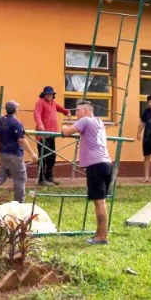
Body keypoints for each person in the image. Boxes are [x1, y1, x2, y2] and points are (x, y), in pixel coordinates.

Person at [61, 99, 112, 245]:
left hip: (96, 165)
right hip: (107, 163)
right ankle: (100, 233)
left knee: (99, 202)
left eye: (77, 110)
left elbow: (67, 132)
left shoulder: (85, 121)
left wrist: (64, 127)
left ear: (85, 111)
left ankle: (102, 237)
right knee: (102, 201)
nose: (76, 113)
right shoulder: (99, 122)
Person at [0, 100, 38, 202]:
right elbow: (21, 140)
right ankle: (19, 204)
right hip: (15, 155)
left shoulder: (1, 121)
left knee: (2, 176)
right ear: (16, 110)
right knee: (20, 179)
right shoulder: (16, 122)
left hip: (2, 154)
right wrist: (32, 153)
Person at [33, 85, 70, 186]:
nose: (49, 96)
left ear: (53, 95)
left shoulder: (53, 103)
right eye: (47, 94)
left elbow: (60, 108)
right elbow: (36, 114)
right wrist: (40, 125)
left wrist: (66, 111)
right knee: (43, 157)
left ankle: (49, 177)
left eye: (51, 94)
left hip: (52, 134)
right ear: (44, 94)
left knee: (52, 156)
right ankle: (41, 179)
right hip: (43, 134)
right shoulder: (40, 102)